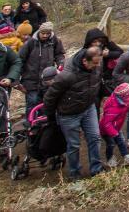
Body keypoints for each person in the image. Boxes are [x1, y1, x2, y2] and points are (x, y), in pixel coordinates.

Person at [43, 46, 104, 181]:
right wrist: (51, 117)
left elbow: (98, 84)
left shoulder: (96, 67)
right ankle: (75, 173)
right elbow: (50, 97)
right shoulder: (66, 76)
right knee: (74, 144)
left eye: (99, 62)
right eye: (95, 63)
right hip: (69, 114)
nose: (98, 65)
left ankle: (97, 169)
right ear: (84, 61)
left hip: (88, 109)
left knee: (94, 137)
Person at [19, 21, 65, 117]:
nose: (44, 35)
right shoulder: (30, 43)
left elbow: (59, 54)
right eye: (43, 33)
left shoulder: (54, 41)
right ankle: (31, 125)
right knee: (32, 103)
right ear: (39, 32)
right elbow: (20, 60)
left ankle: (44, 124)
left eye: (47, 34)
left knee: (47, 103)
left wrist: (61, 64)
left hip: (48, 79)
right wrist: (16, 80)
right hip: (31, 80)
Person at [99, 82, 129, 168]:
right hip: (107, 130)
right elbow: (106, 123)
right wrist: (114, 133)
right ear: (125, 96)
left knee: (121, 141)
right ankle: (110, 158)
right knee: (111, 143)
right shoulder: (113, 107)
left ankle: (126, 156)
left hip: (116, 127)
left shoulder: (123, 102)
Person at [83, 28, 124, 99]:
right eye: (94, 42)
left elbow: (120, 52)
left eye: (99, 41)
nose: (97, 43)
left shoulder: (107, 44)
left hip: (108, 75)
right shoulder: (86, 50)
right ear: (89, 42)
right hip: (93, 78)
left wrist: (108, 54)